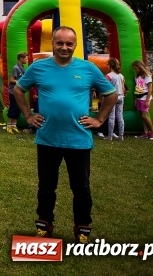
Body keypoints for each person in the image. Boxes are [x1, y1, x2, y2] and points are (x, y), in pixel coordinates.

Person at [13, 26, 118, 243]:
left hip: (78, 140)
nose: (64, 47)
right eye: (59, 43)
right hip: (48, 138)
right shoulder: (38, 67)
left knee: (81, 189)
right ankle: (44, 225)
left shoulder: (88, 69)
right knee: (46, 187)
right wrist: (28, 115)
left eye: (69, 43)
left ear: (75, 45)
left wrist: (99, 120)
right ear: (52, 43)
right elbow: (17, 90)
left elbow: (112, 94)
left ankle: (82, 228)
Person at [131, 60, 153, 140]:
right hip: (139, 97)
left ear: (140, 67)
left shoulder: (147, 75)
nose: (135, 70)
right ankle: (145, 133)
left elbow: (150, 88)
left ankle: (152, 133)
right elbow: (138, 87)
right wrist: (136, 99)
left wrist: (148, 100)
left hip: (145, 98)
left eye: (136, 68)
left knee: (144, 116)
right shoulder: (138, 76)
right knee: (142, 116)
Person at [105, 58, 126, 141]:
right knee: (120, 116)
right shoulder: (121, 76)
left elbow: (106, 88)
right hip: (121, 97)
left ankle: (110, 136)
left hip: (112, 98)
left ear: (110, 65)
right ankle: (121, 136)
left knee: (111, 117)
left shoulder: (109, 76)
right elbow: (123, 88)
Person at [7, 52, 27, 134]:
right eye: (25, 58)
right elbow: (11, 80)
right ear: (21, 59)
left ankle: (14, 125)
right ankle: (9, 125)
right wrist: (20, 82)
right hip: (13, 91)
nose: (27, 59)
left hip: (20, 92)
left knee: (18, 108)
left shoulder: (23, 67)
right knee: (13, 107)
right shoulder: (16, 68)